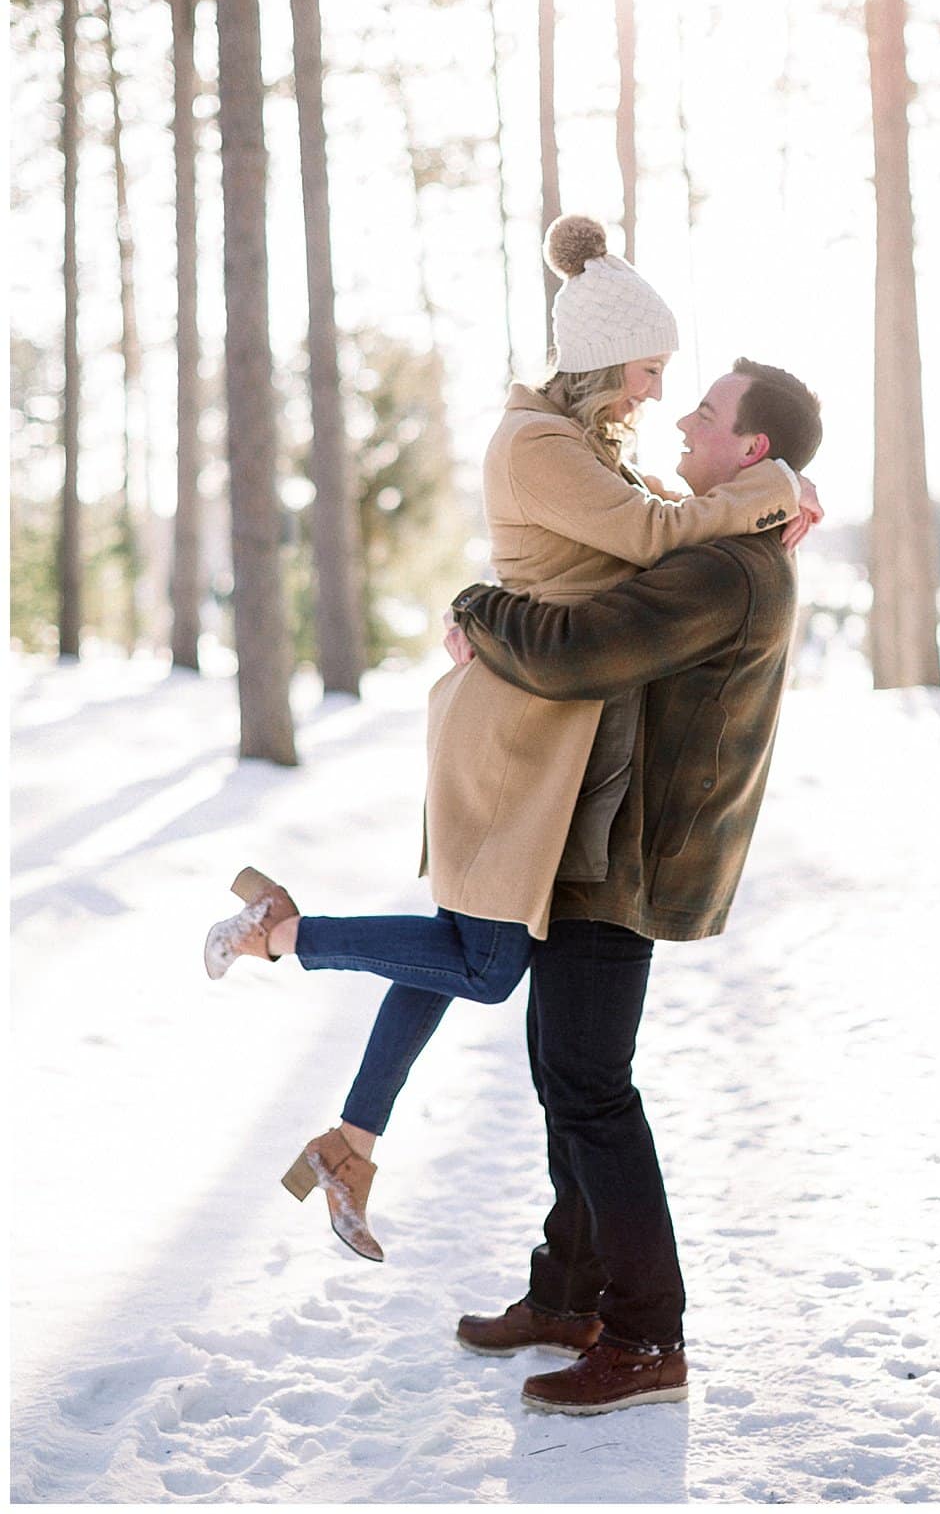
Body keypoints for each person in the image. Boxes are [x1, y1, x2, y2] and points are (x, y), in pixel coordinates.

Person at [204, 217, 822, 1264]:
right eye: (648, 368)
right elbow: (651, 537)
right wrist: (767, 490)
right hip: (515, 724)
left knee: (461, 949)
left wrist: (761, 506)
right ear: (600, 357)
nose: (656, 392)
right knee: (486, 962)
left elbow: (667, 515)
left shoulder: (585, 442)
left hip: (548, 727)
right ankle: (283, 932)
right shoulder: (536, 442)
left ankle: (351, 1139)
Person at [445, 356, 822, 1414]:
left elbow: (571, 649)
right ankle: (568, 1294)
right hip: (602, 830)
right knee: (564, 1070)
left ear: (750, 450)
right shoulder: (722, 536)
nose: (685, 422)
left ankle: (650, 1335)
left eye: (707, 413)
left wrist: (479, 605)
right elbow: (638, 521)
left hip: (633, 848)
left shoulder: (720, 570)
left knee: (588, 1083)